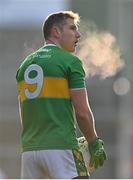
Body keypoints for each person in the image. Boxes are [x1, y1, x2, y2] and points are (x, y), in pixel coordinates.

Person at [16, 11, 107, 179]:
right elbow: (82, 112)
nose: (78, 34)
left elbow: (24, 114)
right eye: (72, 28)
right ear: (56, 32)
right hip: (61, 149)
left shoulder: (24, 65)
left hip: (29, 153)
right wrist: (93, 142)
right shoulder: (70, 61)